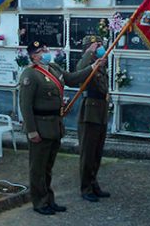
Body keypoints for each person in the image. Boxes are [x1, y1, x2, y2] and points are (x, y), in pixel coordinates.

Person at [18, 40, 101, 215]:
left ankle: (49, 199)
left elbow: (71, 78)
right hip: (40, 127)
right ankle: (39, 202)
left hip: (54, 126)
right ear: (34, 56)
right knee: (38, 168)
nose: (46, 52)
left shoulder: (53, 68)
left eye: (46, 48)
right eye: (42, 50)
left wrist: (93, 66)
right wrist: (32, 131)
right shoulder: (30, 75)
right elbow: (25, 106)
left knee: (48, 167)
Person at [76, 36, 111, 202]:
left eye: (100, 45)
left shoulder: (100, 64)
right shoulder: (87, 64)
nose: (100, 48)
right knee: (88, 153)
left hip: (101, 111)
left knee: (97, 152)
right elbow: (79, 70)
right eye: (96, 46)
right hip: (90, 112)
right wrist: (89, 53)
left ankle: (93, 182)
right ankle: (85, 187)